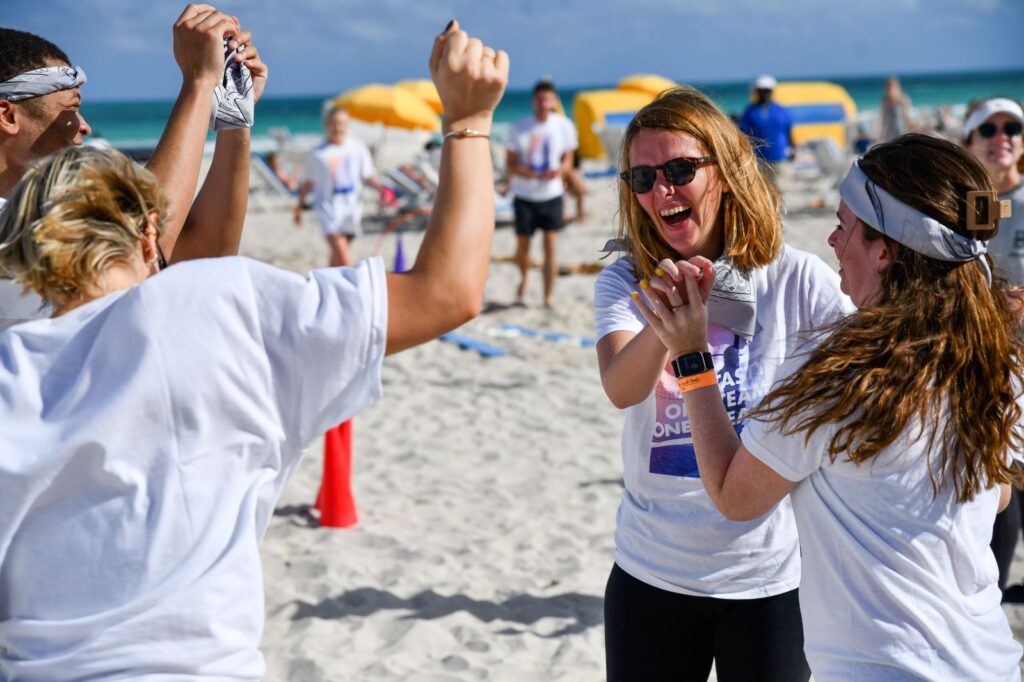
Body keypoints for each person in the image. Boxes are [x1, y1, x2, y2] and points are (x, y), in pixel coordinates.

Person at [0, 20, 507, 680]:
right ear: (151, 233)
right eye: (71, 112)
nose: (85, 126)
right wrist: (468, 124)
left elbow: (191, 252)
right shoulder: (219, 306)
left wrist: (232, 122)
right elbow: (447, 292)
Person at [635, 133, 1022, 680]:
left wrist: (692, 357)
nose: (833, 238)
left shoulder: (839, 372)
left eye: (846, 225)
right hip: (988, 661)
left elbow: (733, 495)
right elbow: (999, 494)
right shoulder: (993, 354)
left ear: (885, 250)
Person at [595, 86, 851, 682]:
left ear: (727, 171)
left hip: (769, 577)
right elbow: (621, 387)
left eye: (681, 169)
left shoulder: (796, 279)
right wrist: (669, 324)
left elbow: (874, 369)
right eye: (643, 177)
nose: (662, 190)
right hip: (650, 570)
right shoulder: (627, 280)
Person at [0, 5, 268, 330]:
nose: (83, 126)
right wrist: (199, 81)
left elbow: (202, 255)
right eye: (71, 109)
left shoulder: (49, 214)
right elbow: (141, 240)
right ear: (7, 116)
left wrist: (233, 114)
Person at [963, 97, 1024, 596]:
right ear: (968, 142)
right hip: (983, 368)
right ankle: (995, 596)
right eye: (988, 128)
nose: (1001, 136)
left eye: (1012, 127)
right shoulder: (953, 210)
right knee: (1000, 494)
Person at [506, 78, 578, 308]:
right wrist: (533, 174)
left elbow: (569, 159)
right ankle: (524, 278)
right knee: (523, 247)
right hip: (525, 195)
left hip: (552, 194)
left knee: (550, 244)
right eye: (540, 98)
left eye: (547, 97)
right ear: (533, 100)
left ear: (554, 100)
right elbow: (511, 164)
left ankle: (548, 296)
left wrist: (560, 171)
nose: (543, 102)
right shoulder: (519, 127)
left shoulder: (564, 125)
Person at [294, 106, 387, 267]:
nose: (338, 127)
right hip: (327, 209)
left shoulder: (358, 148)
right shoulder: (317, 153)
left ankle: (330, 287)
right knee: (344, 257)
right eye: (334, 123)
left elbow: (367, 176)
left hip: (351, 209)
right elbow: (308, 182)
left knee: (338, 258)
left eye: (342, 123)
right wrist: (299, 207)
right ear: (327, 125)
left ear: (348, 125)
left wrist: (381, 189)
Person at [738, 74, 793, 180]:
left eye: (767, 90)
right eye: (762, 91)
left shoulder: (781, 110)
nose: (765, 94)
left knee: (782, 189)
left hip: (779, 157)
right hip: (760, 158)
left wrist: (792, 149)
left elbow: (788, 131)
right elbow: (744, 134)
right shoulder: (750, 112)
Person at [879, 76, 913, 142]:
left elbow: (907, 116)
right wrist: (881, 134)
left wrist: (911, 129)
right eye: (887, 87)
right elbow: (884, 118)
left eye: (890, 86)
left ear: (897, 87)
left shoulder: (903, 99)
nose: (889, 89)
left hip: (902, 129)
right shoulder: (884, 100)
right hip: (890, 130)